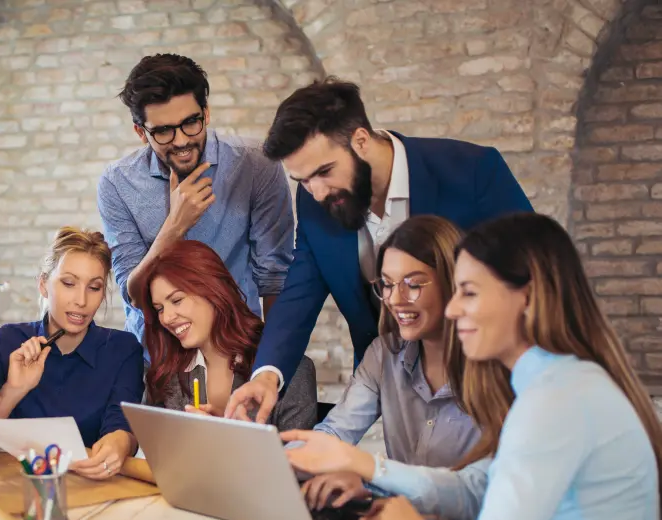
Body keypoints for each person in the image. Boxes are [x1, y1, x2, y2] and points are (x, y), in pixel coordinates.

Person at [287, 213, 662, 520]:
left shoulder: (553, 404)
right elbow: (480, 487)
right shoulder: (560, 386)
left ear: (525, 296)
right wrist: (373, 469)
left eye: (469, 292)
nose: (453, 310)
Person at [226, 78, 532, 424]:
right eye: (304, 180)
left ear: (360, 140)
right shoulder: (314, 202)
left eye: (325, 172)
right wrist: (267, 375)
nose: (317, 192)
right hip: (394, 391)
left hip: (494, 384)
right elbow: (300, 293)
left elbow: (536, 274)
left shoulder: (473, 171)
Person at [98, 53, 295, 346]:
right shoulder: (116, 183)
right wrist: (174, 226)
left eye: (191, 122)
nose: (180, 141)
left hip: (237, 349)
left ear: (207, 113)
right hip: (154, 359)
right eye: (163, 131)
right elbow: (135, 295)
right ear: (141, 133)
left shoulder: (256, 165)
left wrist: (271, 364)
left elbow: (275, 278)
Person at [298, 215, 478, 508]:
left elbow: (479, 490)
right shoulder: (384, 354)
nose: (395, 299)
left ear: (452, 282)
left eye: (414, 284)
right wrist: (273, 458)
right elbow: (334, 433)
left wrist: (369, 480)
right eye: (387, 284)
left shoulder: (496, 368)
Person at [0, 227, 143, 480]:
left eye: (94, 287)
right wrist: (13, 389)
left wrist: (119, 444)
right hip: (23, 487)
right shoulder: (9, 341)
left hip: (94, 487)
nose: (81, 300)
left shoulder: (123, 349)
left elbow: (120, 426)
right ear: (43, 284)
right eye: (68, 283)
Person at [137, 239, 315, 432]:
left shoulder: (290, 371)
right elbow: (158, 455)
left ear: (213, 290)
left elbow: (296, 458)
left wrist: (228, 443)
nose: (167, 318)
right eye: (160, 309)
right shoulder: (167, 377)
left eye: (177, 300)